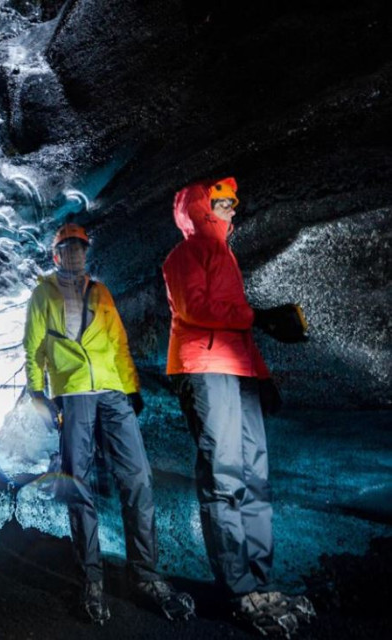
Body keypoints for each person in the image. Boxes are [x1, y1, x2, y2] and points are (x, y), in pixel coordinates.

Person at [161, 177, 315, 636]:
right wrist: (259, 316)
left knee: (255, 475)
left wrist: (263, 378)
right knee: (225, 474)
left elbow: (239, 329)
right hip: (205, 368)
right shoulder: (185, 254)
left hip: (239, 370)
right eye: (224, 201)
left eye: (233, 202)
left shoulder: (226, 255)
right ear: (204, 206)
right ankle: (239, 587)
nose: (234, 208)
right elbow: (195, 309)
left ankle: (259, 581)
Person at [23, 222, 195, 625]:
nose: (74, 254)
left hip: (113, 394)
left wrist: (131, 385)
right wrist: (37, 392)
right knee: (78, 485)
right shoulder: (41, 295)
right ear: (56, 255)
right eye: (67, 248)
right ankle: (91, 581)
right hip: (75, 394)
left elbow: (118, 342)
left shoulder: (101, 293)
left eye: (79, 247)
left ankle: (146, 576)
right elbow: (32, 348)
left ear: (86, 252)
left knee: (137, 479)